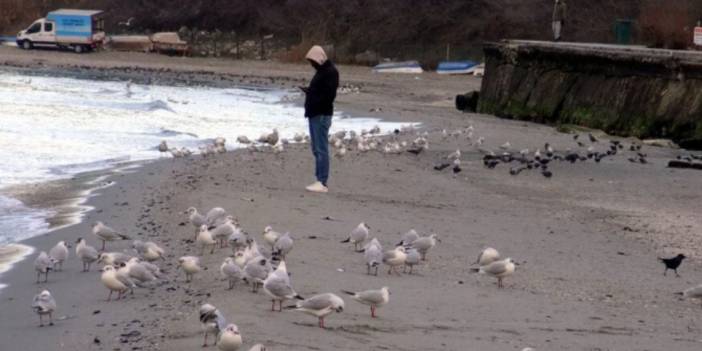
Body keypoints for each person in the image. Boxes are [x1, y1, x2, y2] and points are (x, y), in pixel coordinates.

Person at [300, 45, 339, 193]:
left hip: (321, 114)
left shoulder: (330, 72)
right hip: (316, 113)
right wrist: (310, 91)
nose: (312, 64)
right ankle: (320, 179)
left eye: (312, 61)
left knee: (321, 148)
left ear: (319, 59)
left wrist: (312, 96)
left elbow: (328, 96)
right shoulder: (324, 71)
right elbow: (321, 91)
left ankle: (322, 181)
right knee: (317, 148)